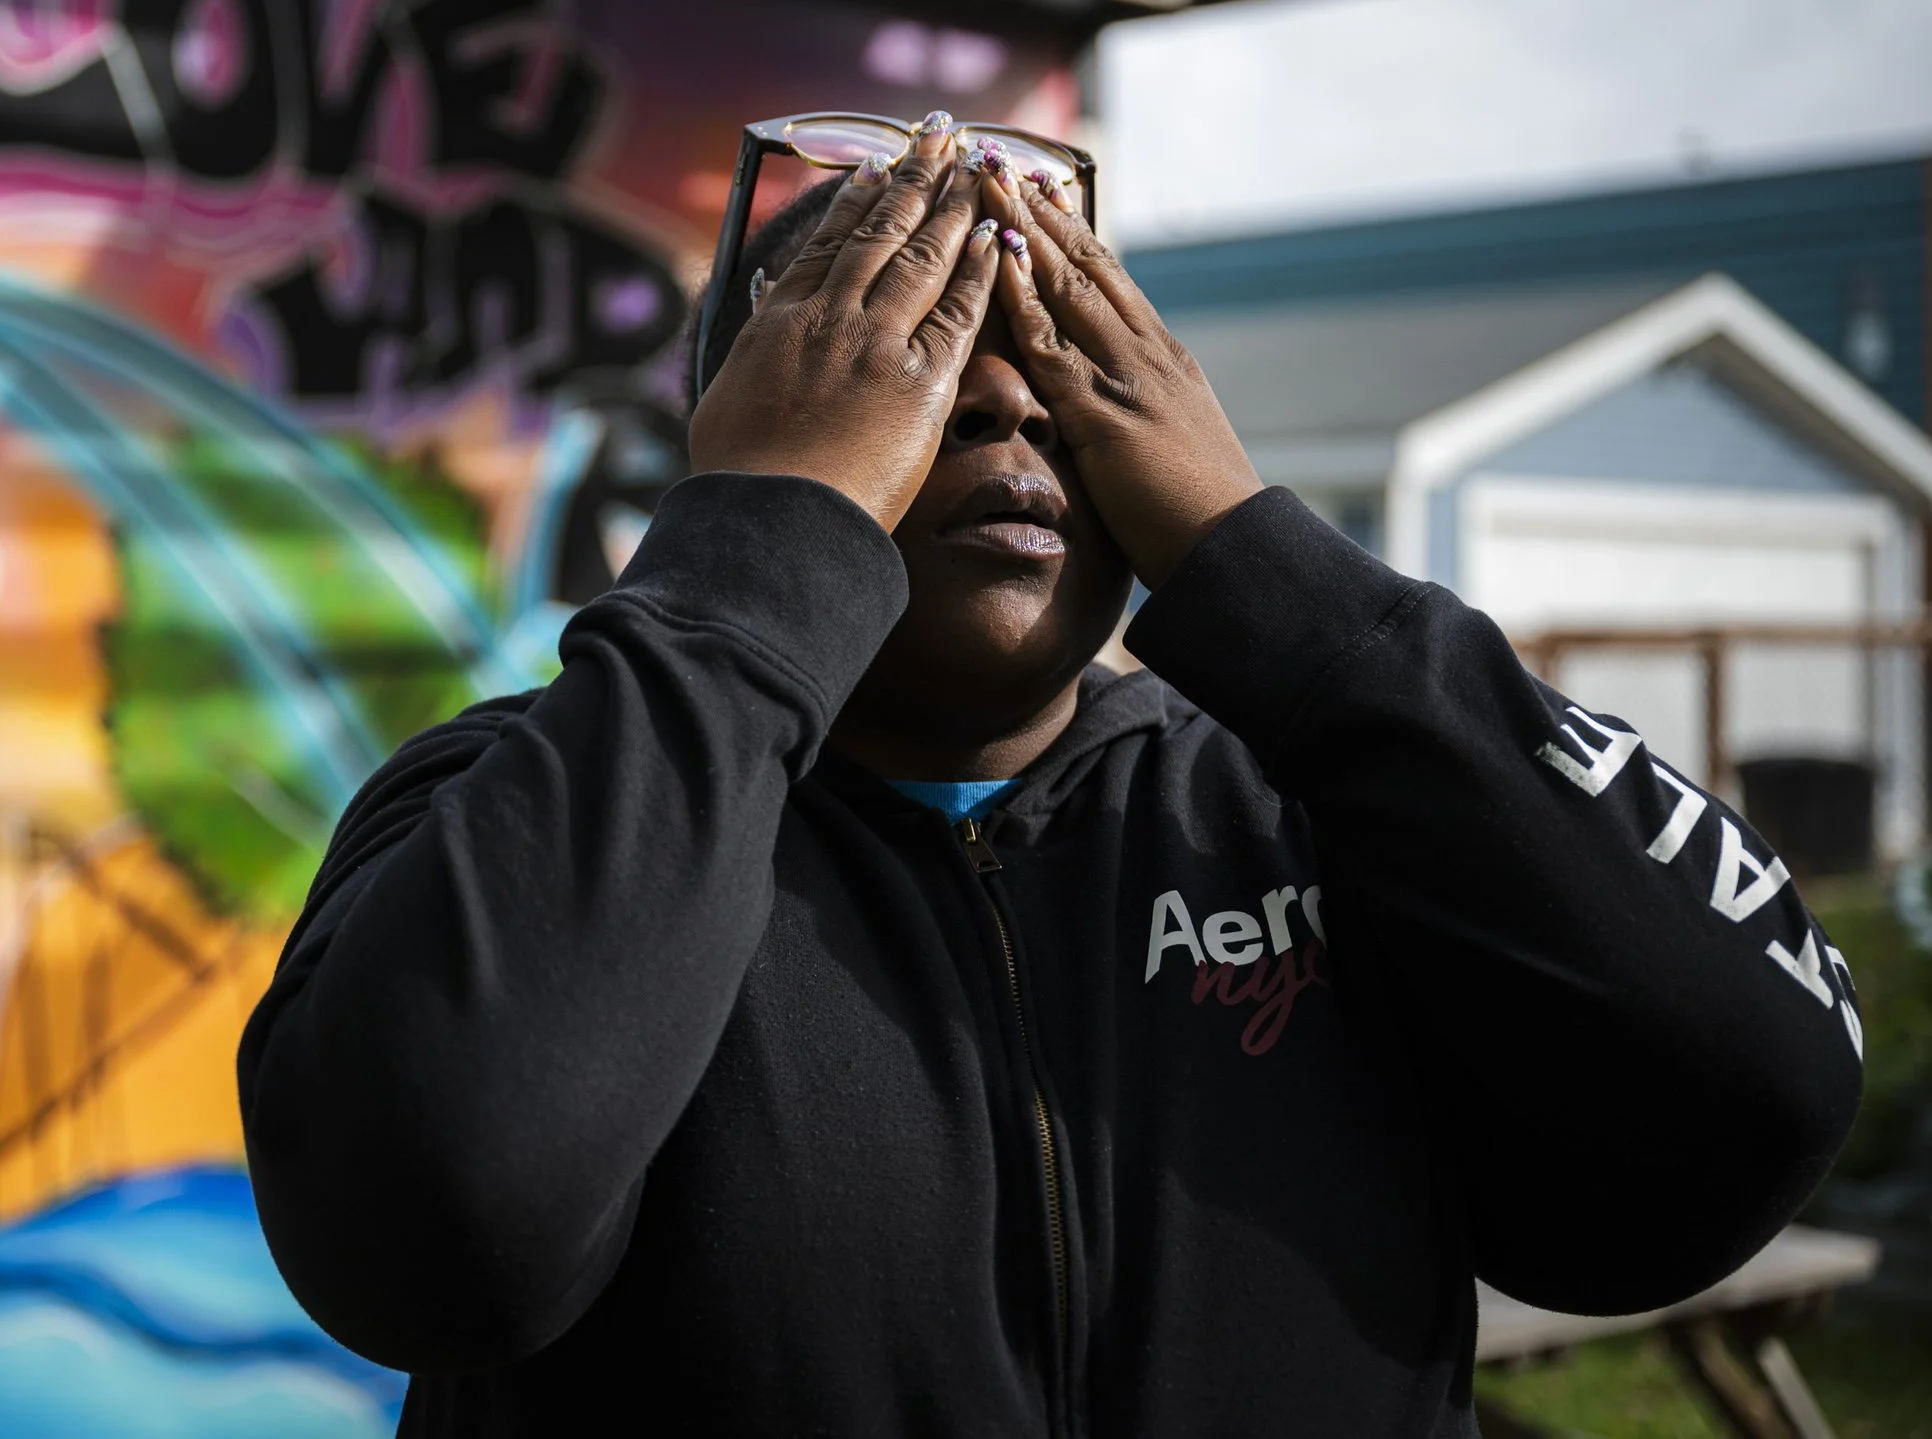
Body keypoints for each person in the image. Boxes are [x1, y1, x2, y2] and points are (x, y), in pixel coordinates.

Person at [237, 115, 1863, 1435]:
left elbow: (1754, 1087)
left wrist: (1261, 563)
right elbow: (428, 1227)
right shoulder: (520, 799)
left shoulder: (1316, 813)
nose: (1006, 394)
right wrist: (754, 560)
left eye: (1059, 345)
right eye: (905, 346)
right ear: (762, 430)